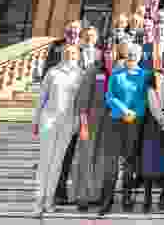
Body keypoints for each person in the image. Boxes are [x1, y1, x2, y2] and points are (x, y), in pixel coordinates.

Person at [98, 42, 150, 216]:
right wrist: (124, 110)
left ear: (140, 57)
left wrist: (134, 113)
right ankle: (106, 201)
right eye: (130, 53)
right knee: (111, 163)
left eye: (136, 54)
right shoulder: (116, 74)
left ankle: (127, 198)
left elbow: (144, 99)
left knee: (129, 162)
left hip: (134, 122)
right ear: (126, 55)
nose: (132, 56)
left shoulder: (145, 75)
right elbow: (109, 96)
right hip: (115, 121)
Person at [32, 44, 84, 216]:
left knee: (57, 163)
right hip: (49, 119)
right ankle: (38, 201)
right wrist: (36, 120)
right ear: (63, 54)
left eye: (73, 53)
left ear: (78, 55)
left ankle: (48, 201)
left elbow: (81, 102)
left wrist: (78, 122)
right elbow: (42, 97)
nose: (70, 55)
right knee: (45, 161)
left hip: (68, 122)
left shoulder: (81, 74)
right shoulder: (52, 72)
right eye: (67, 53)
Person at [73, 29, 110, 212]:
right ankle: (82, 195)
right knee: (86, 157)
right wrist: (83, 123)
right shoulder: (93, 70)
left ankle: (95, 194)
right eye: (107, 51)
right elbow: (82, 99)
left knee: (101, 158)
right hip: (91, 120)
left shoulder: (115, 71)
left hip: (109, 122)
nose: (110, 54)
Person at [139, 50, 164, 212]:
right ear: (162, 60)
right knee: (150, 159)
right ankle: (147, 197)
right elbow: (151, 97)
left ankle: (163, 195)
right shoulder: (153, 76)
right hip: (154, 121)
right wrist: (161, 119)